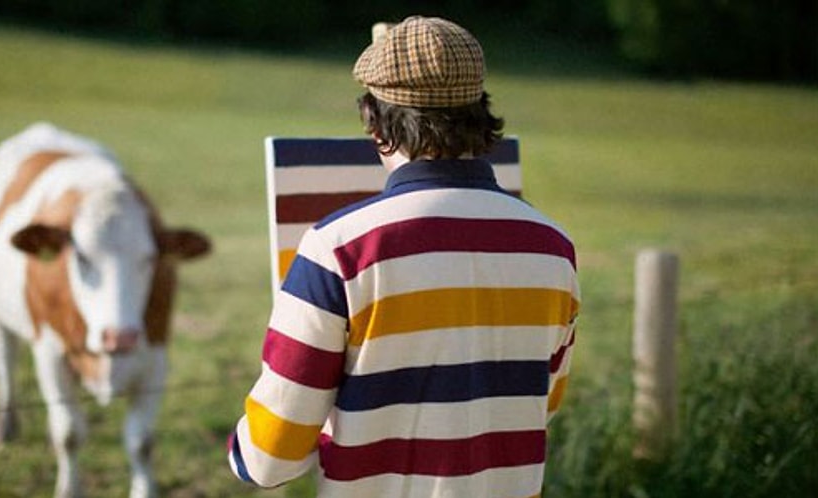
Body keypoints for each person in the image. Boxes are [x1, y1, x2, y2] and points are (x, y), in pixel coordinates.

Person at [228, 15, 580, 497]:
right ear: (481, 114)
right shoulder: (553, 248)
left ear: (375, 124)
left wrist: (244, 453)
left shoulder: (338, 249)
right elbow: (540, 405)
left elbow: (271, 457)